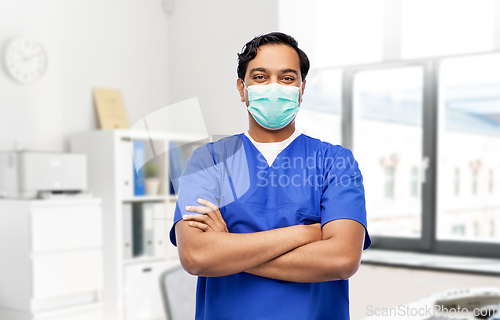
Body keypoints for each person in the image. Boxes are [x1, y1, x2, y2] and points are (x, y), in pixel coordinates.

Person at [169, 32, 371, 320]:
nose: (274, 87)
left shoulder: (335, 162)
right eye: (261, 77)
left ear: (302, 90)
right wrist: (307, 233)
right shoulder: (208, 161)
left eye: (287, 78)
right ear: (242, 89)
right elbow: (197, 256)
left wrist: (228, 248)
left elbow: (341, 259)